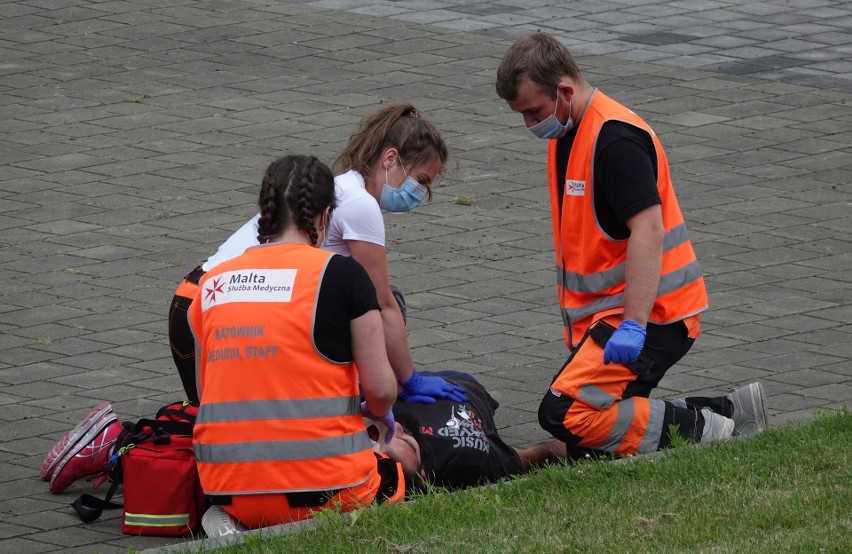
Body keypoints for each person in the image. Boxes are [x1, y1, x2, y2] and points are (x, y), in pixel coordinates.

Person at [495, 32, 767, 457]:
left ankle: (708, 428)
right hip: (615, 320)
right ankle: (732, 410)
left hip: (652, 318)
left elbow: (649, 230)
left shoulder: (614, 141)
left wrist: (634, 325)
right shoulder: (571, 129)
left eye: (533, 112)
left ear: (564, 91)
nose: (530, 125)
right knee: (589, 443)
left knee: (566, 415)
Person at [169, 103, 466, 407]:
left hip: (192, 300)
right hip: (216, 307)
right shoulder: (360, 204)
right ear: (390, 159)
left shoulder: (340, 188)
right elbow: (383, 304)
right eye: (421, 181)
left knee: (216, 424)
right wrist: (409, 380)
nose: (419, 194)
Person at [188, 154, 404, 528]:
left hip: (227, 487)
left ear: (264, 212)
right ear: (324, 216)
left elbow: (207, 392)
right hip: (329, 489)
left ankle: (232, 519)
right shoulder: (341, 275)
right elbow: (382, 391)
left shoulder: (212, 283)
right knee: (396, 472)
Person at [379, 371, 568, 491]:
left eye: (377, 437)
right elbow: (538, 455)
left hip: (412, 380)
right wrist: (586, 448)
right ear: (423, 473)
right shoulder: (465, 457)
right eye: (406, 439)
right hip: (462, 385)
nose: (397, 427)